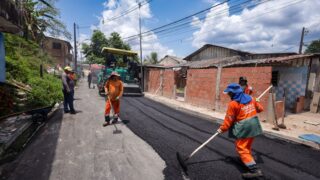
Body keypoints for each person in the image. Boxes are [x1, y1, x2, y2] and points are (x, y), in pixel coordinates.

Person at [216, 83, 264, 178]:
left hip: (244, 127)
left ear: (233, 93)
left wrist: (221, 129)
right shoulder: (251, 98)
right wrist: (256, 102)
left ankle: (255, 170)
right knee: (247, 146)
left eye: (229, 93)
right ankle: (246, 160)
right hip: (254, 125)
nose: (229, 95)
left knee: (241, 148)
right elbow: (260, 109)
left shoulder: (233, 104)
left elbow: (229, 120)